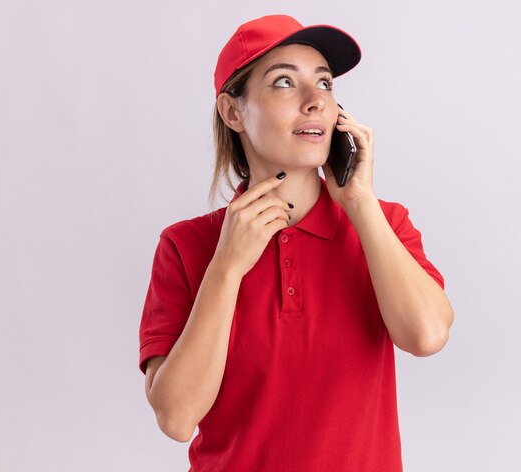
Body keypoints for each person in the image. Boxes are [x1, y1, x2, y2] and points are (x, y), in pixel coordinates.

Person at [138, 14, 454, 471]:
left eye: (324, 84)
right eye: (284, 82)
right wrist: (226, 268)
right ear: (233, 112)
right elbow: (177, 416)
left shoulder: (384, 223)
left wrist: (359, 203)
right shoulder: (186, 245)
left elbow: (426, 336)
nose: (315, 103)